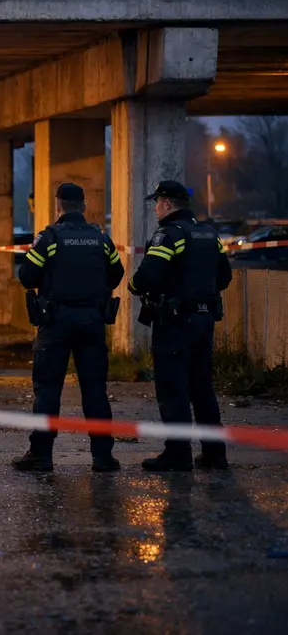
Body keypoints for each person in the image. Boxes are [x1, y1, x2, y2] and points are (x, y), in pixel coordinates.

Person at [12, 183, 125, 472]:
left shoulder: (48, 238)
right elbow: (117, 273)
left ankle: (41, 455)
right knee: (95, 390)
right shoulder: (100, 239)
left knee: (48, 390)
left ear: (57, 206)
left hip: (56, 323)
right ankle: (103, 457)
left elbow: (27, 276)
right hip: (92, 321)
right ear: (83, 207)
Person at [128, 180, 233, 471]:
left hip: (175, 324)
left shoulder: (169, 235)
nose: (155, 208)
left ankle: (177, 454)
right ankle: (215, 454)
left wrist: (133, 285)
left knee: (173, 390)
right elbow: (224, 277)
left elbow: (146, 277)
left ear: (167, 204)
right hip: (203, 321)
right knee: (202, 389)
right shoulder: (209, 234)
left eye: (156, 203)